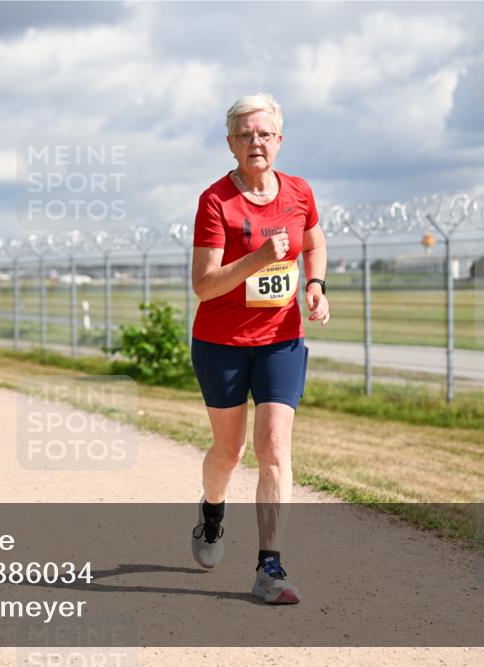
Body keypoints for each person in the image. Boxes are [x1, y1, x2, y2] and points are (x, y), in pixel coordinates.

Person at [189, 93, 329, 605]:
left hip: (281, 342)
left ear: (279, 140)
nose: (255, 143)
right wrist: (255, 260)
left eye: (264, 134)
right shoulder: (214, 202)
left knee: (274, 447)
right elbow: (203, 285)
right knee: (229, 451)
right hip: (221, 344)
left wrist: (315, 285)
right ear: (230, 144)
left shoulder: (298, 192)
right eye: (245, 135)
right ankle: (211, 511)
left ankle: (269, 567)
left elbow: (313, 243)